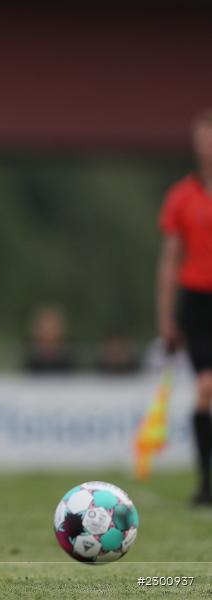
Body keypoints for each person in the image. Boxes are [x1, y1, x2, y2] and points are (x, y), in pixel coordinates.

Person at [158, 107, 212, 507]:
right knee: (204, 390)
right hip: (197, 303)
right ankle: (206, 483)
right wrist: (165, 315)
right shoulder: (181, 197)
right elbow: (170, 260)